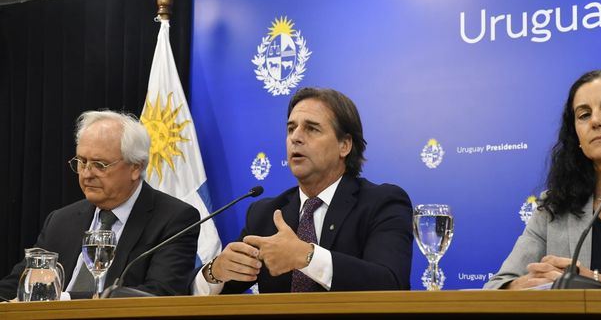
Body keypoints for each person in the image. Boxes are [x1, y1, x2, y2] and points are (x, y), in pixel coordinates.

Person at [192, 87, 413, 295]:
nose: (295, 137)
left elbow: (391, 283)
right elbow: (214, 289)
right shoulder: (266, 214)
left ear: (344, 145)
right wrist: (215, 273)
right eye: (291, 129)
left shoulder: (381, 203)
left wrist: (306, 257)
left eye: (312, 128)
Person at [0, 110, 200, 300]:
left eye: (99, 165)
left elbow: (160, 293)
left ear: (135, 168)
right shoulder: (60, 220)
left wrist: (64, 299)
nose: (86, 174)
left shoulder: (174, 219)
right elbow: (18, 283)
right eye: (82, 161)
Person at [484, 70, 601, 289]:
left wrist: (590, 280)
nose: (595, 121)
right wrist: (526, 284)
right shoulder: (555, 205)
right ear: (577, 137)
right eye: (583, 115)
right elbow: (497, 285)